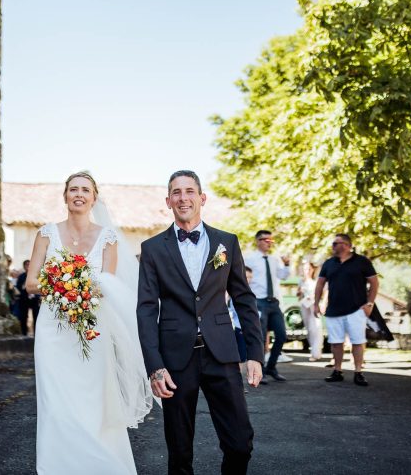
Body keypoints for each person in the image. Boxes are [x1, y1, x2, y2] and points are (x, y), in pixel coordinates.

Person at [138, 170, 263, 475]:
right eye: (176, 192)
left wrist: (255, 354)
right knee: (180, 451)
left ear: (202, 198)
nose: (183, 198)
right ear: (168, 201)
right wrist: (155, 366)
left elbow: (244, 300)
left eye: (189, 191)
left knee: (240, 443)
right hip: (175, 359)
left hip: (222, 353)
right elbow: (146, 310)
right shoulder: (152, 248)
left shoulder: (226, 242)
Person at [26, 171, 152, 474]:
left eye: (85, 190)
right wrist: (64, 285)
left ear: (94, 198)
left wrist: (78, 287)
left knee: (94, 397)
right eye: (73, 189)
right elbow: (31, 283)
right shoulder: (46, 234)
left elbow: (106, 285)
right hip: (53, 329)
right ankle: (58, 466)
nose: (79, 194)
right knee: (55, 399)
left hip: (92, 328)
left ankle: (100, 464)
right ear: (65, 196)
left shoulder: (108, 238)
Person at [314, 233, 378, 387]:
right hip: (333, 310)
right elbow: (320, 284)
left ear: (347, 245)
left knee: (357, 342)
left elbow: (374, 282)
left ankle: (358, 372)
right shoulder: (329, 263)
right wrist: (316, 303)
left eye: (337, 243)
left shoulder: (362, 261)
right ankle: (337, 370)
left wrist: (369, 303)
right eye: (333, 244)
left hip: (356, 309)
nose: (334, 246)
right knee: (336, 343)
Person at [245, 230, 291, 382]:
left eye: (271, 240)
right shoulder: (249, 259)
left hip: (273, 302)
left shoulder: (274, 259)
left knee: (281, 335)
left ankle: (271, 367)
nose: (269, 243)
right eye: (266, 240)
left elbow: (283, 276)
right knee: (260, 337)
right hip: (258, 301)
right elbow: (243, 278)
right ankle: (261, 371)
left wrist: (287, 264)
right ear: (258, 241)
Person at [297, 262, 323, 361]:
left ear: (313, 270)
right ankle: (313, 350)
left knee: (316, 327)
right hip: (305, 306)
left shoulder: (316, 281)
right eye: (305, 269)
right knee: (309, 329)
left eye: (309, 269)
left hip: (314, 305)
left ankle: (316, 353)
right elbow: (298, 296)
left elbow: (321, 293)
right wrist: (301, 293)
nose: (307, 271)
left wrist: (314, 298)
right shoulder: (301, 281)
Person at [15, 260, 41, 336]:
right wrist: (23, 287)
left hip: (35, 299)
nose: (28, 266)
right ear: (24, 266)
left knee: (36, 316)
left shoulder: (36, 276)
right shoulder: (21, 276)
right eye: (26, 265)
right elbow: (18, 288)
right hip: (24, 299)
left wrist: (38, 296)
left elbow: (39, 287)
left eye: (30, 265)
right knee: (23, 316)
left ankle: (36, 334)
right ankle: (24, 333)